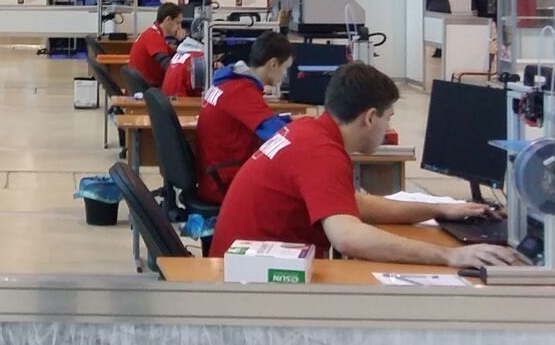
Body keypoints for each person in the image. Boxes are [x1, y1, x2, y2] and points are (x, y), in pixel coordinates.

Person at [209, 63, 524, 268]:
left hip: (242, 268)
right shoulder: (321, 151)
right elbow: (348, 237)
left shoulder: (308, 131)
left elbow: (351, 205)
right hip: (249, 286)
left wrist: (438, 209)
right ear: (370, 117)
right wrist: (450, 255)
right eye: (389, 118)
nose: (388, 128)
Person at [192, 31, 295, 206]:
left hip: (215, 175)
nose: (285, 75)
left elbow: (258, 120)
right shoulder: (241, 91)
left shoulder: (228, 82)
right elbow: (276, 135)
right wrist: (308, 130)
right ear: (273, 64)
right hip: (225, 182)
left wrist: (289, 120)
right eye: (285, 68)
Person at [128, 3, 184, 87]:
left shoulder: (154, 33)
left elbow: (173, 56)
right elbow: (168, 66)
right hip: (148, 89)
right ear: (168, 20)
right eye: (178, 23)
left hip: (143, 86)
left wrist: (180, 42)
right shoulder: (153, 36)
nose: (180, 27)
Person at [161, 34, 209, 99]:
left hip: (167, 99)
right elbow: (204, 92)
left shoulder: (181, 52)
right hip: (181, 101)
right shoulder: (198, 58)